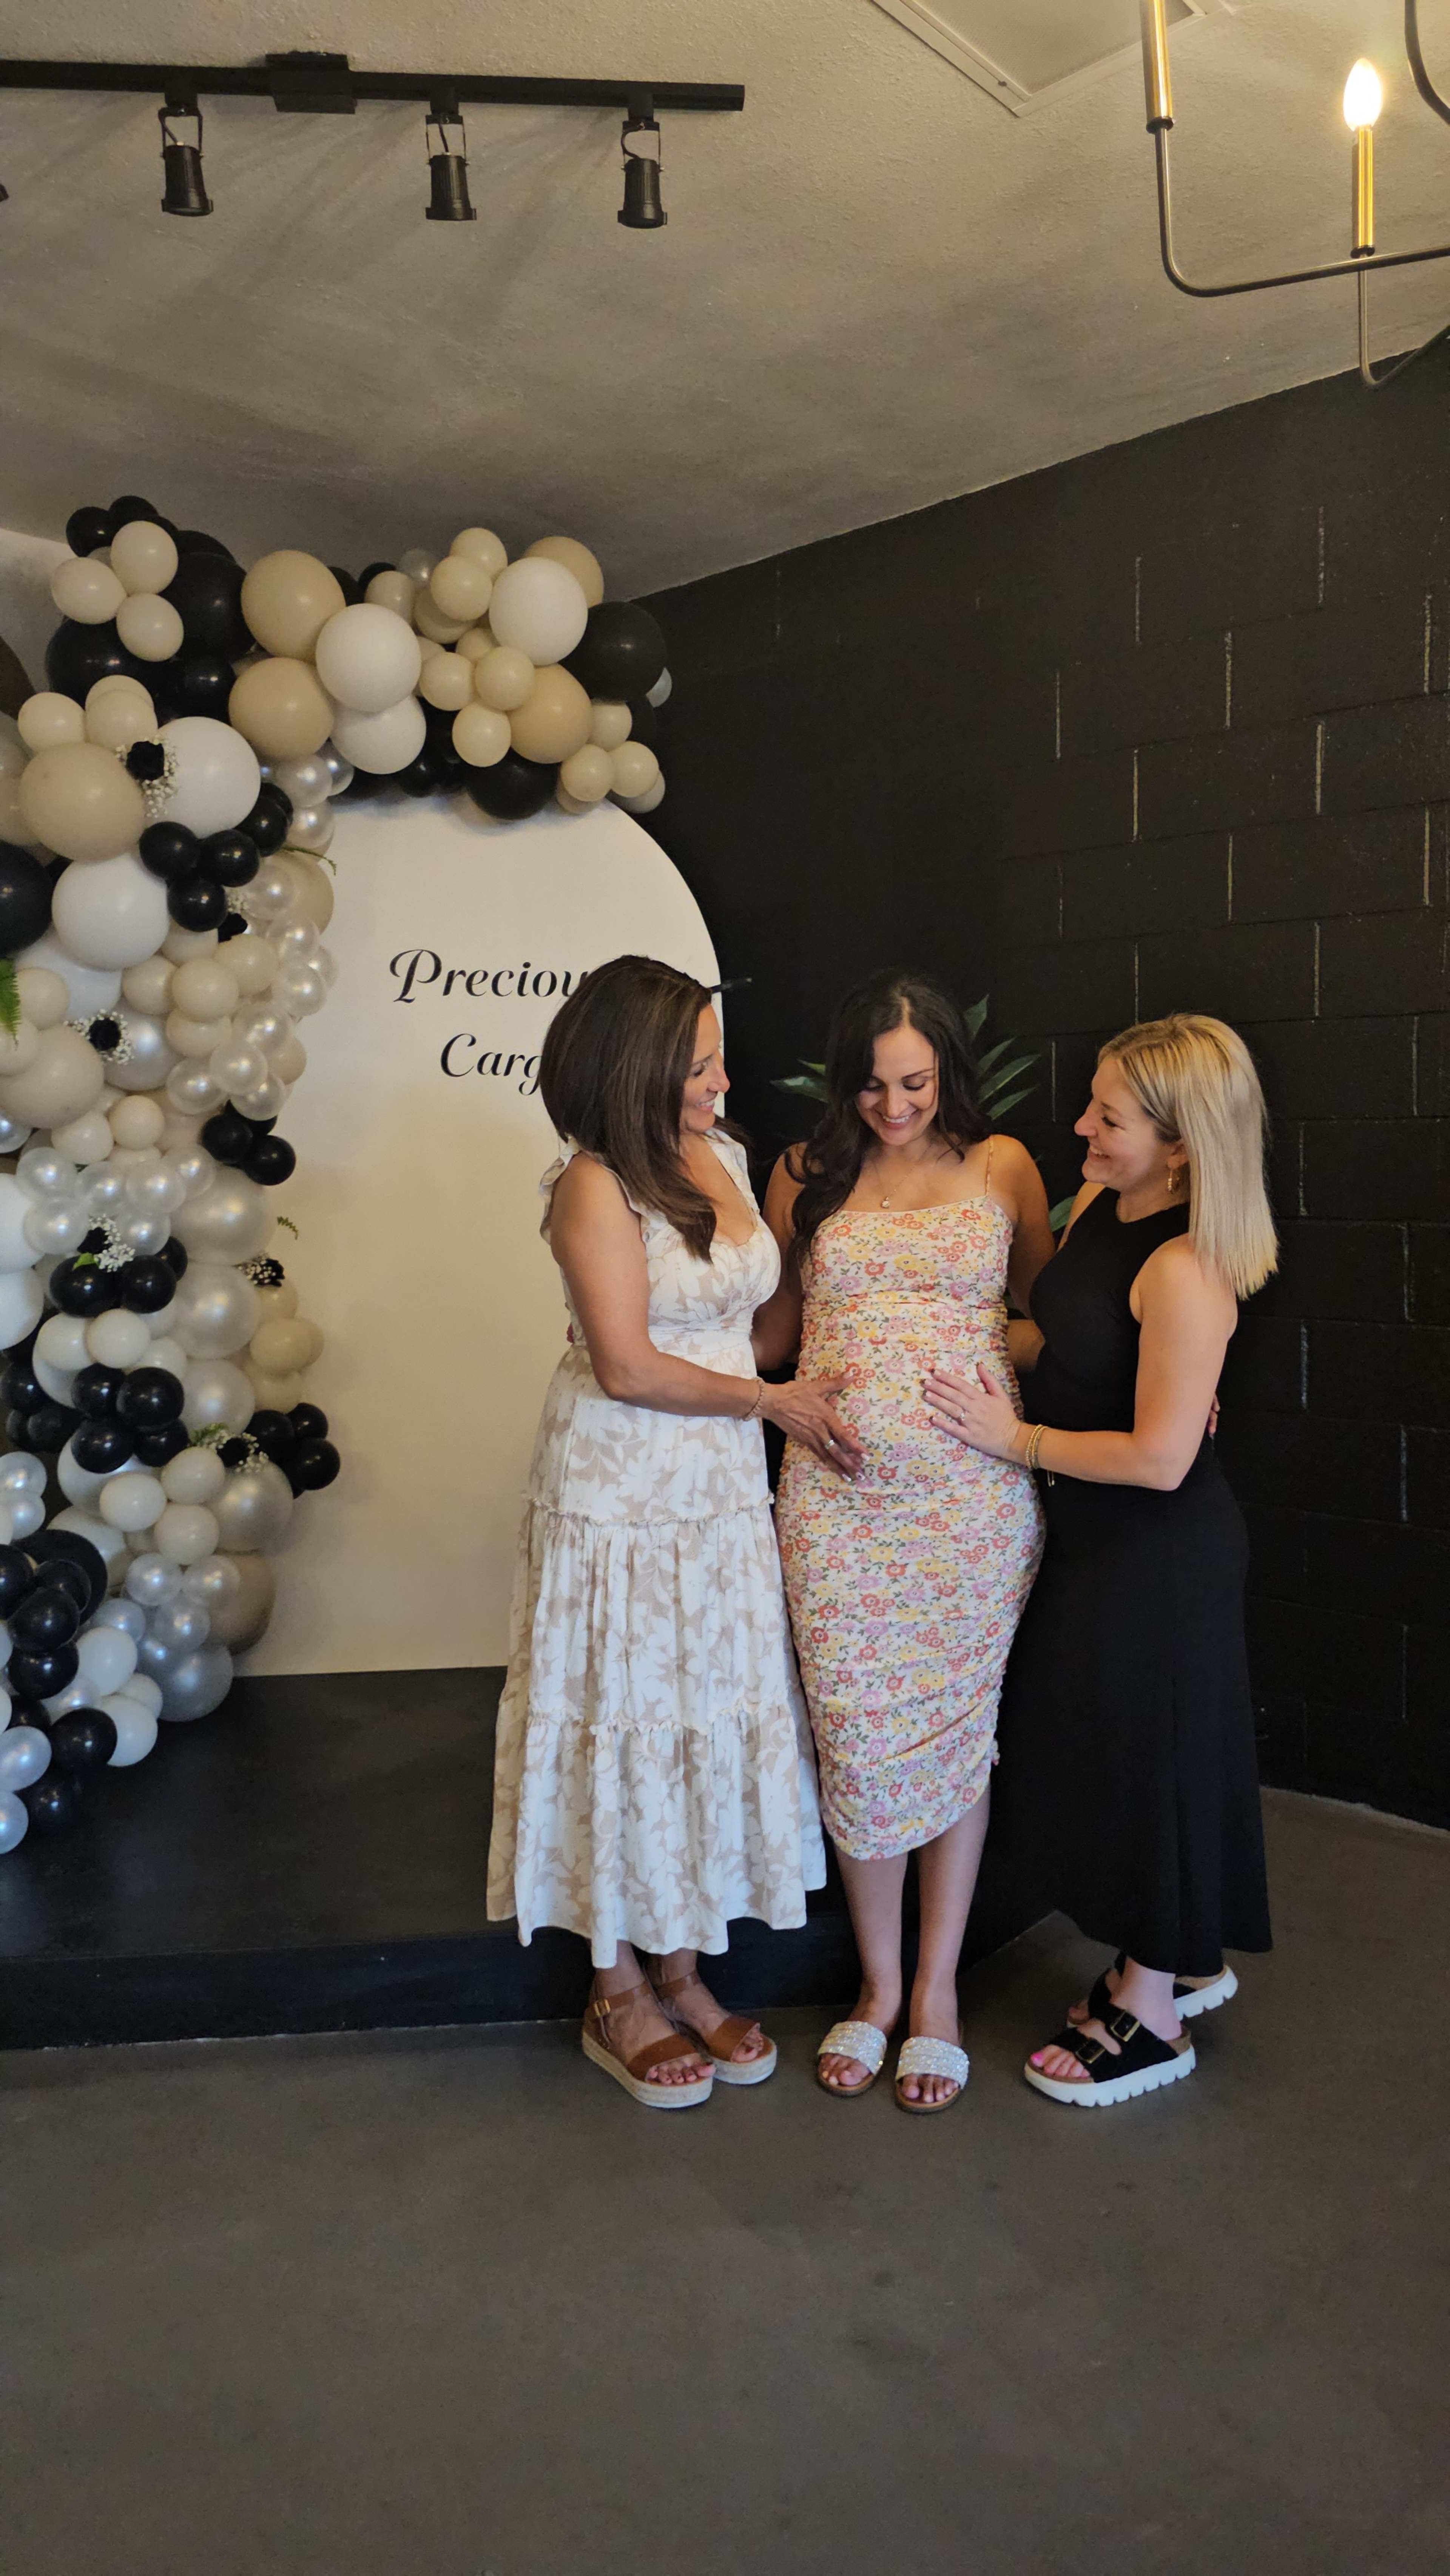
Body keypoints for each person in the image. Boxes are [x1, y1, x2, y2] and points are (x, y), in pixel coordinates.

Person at [487, 954, 861, 2109]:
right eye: (699, 1064)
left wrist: (844, 1262)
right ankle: (617, 1991)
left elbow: (748, 1332)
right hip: (623, 1488)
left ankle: (686, 1969)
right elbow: (631, 1364)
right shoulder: (594, 1185)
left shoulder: (731, 1157)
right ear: (638, 1068)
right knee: (623, 1710)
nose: (721, 1079)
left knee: (702, 1704)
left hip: (711, 1484)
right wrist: (775, 1405)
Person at [924, 1012, 1276, 2108]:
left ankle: (1153, 2014)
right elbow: (1057, 1336)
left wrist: (1011, 1439)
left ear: (1181, 1144)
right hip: (1097, 1548)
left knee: (1155, 1770)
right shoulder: (1107, 1214)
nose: (1079, 1124)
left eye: (1109, 1116)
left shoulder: (1183, 1269)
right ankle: (1174, 1954)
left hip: (1159, 1556)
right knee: (1122, 1759)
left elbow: (1164, 1458)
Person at [760, 972, 1054, 2112]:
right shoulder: (806, 1171)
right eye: (876, 1085)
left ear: (948, 1077)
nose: (895, 1107)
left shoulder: (1003, 1166)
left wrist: (988, 1362)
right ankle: (876, 1987)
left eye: (917, 1083)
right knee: (856, 1728)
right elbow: (777, 1336)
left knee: (950, 1728)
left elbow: (1047, 1315)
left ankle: (935, 1990)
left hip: (973, 1508)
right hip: (837, 1508)